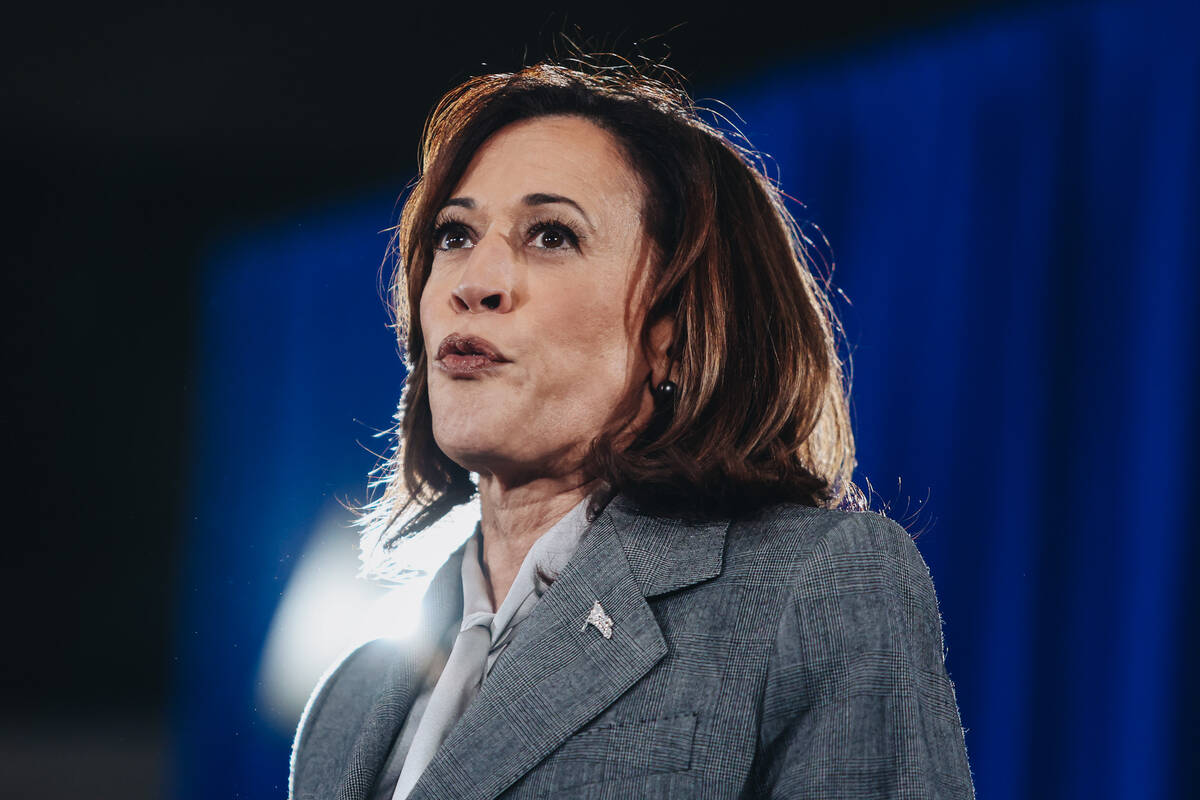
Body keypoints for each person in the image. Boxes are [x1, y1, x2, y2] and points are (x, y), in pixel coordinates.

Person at [289, 57, 974, 800]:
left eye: (550, 236)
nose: (472, 282)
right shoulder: (348, 703)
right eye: (455, 235)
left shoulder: (811, 589)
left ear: (671, 337)